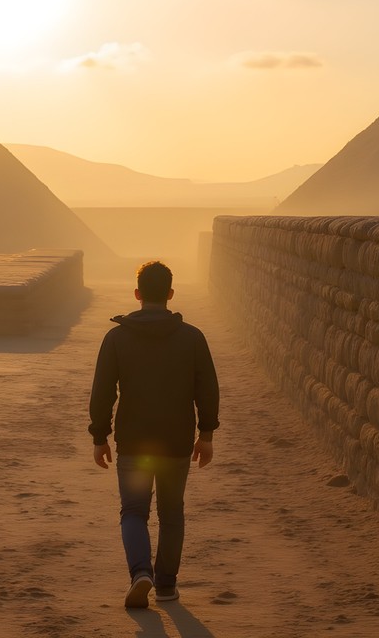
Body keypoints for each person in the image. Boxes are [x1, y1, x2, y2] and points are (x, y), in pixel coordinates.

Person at [89, 260, 220, 609]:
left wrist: (99, 436)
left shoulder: (116, 338)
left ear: (137, 295)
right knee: (171, 512)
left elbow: (102, 392)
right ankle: (165, 586)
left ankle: (139, 573)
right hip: (176, 442)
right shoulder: (192, 337)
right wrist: (206, 434)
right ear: (171, 294)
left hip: (134, 442)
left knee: (133, 511)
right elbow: (207, 389)